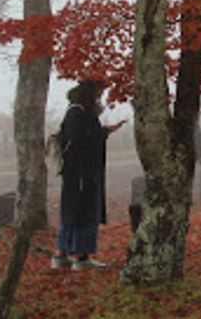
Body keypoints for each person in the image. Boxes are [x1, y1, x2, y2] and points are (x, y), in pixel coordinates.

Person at [51, 79, 125, 271]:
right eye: (99, 90)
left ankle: (63, 253)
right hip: (84, 174)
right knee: (84, 212)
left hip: (77, 174)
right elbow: (82, 140)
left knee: (71, 211)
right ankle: (81, 256)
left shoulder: (76, 112)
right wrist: (102, 133)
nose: (101, 95)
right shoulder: (78, 113)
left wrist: (104, 131)